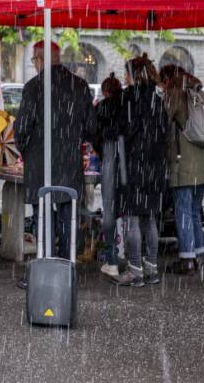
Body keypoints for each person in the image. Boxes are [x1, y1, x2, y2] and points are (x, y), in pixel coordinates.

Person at [14, 40, 96, 287]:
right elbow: (91, 127)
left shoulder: (34, 87)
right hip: (69, 163)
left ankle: (46, 271)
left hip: (41, 164)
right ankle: (67, 270)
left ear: (39, 59)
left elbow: (21, 129)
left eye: (33, 60)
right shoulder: (79, 86)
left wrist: (27, 151)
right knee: (69, 218)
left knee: (43, 219)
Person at [160, 64, 204, 275]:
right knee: (194, 209)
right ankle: (197, 254)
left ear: (168, 79)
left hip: (185, 162)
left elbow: (162, 121)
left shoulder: (175, 94)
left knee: (183, 210)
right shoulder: (200, 94)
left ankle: (186, 259)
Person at [113, 56, 169, 286]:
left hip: (134, 164)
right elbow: (164, 132)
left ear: (134, 75)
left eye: (127, 74)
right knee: (150, 218)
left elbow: (120, 129)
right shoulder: (158, 97)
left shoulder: (129, 98)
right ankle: (152, 268)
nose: (124, 79)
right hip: (155, 166)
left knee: (133, 218)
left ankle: (135, 270)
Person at [91, 73, 125, 280]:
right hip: (130, 159)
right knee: (132, 212)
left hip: (110, 158)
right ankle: (137, 260)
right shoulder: (129, 106)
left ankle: (111, 258)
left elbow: (93, 132)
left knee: (109, 209)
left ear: (105, 92)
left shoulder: (102, 107)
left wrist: (101, 150)